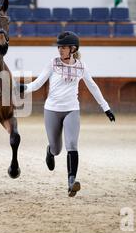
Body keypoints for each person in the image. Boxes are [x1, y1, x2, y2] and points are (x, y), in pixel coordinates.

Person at [18, 31, 115, 197]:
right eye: (59, 47)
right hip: (52, 110)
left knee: (72, 145)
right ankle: (50, 151)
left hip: (72, 109)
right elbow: (38, 83)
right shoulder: (53, 63)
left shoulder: (81, 67)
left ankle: (71, 182)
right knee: (57, 149)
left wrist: (105, 107)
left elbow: (93, 87)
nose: (60, 50)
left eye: (63, 47)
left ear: (73, 49)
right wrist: (24, 88)